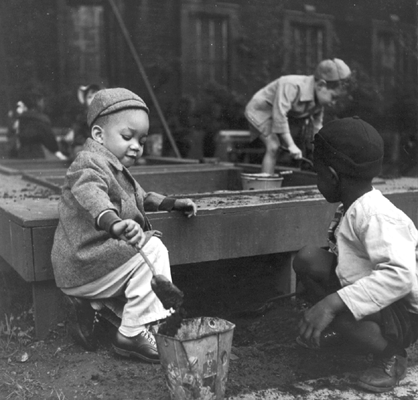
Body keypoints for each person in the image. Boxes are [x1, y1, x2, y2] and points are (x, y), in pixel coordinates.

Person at [51, 88, 197, 363]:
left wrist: (172, 203)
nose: (136, 146)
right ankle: (131, 333)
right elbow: (92, 195)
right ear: (98, 135)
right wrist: (114, 223)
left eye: (141, 140)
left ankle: (91, 307)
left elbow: (141, 197)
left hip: (95, 267)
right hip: (83, 263)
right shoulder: (87, 164)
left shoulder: (114, 167)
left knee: (141, 257)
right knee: (150, 248)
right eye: (127, 137)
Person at [293, 117, 418, 393]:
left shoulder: (377, 215)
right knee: (307, 258)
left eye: (318, 174)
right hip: (375, 295)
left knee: (339, 313)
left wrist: (329, 304)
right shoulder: (353, 205)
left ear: (333, 176)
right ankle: (343, 332)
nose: (317, 181)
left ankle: (392, 355)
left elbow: (401, 276)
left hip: (404, 313)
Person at [244, 58, 351, 174]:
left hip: (279, 115)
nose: (333, 103)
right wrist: (291, 145)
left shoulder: (319, 101)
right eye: (333, 97)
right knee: (273, 147)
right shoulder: (291, 85)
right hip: (260, 111)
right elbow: (280, 115)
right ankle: (265, 189)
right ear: (321, 85)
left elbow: (317, 128)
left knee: (293, 146)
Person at [13, 90, 67, 160]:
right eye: (42, 101)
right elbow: (50, 142)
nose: (43, 104)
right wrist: (58, 152)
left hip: (21, 155)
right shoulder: (41, 120)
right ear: (38, 103)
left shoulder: (21, 119)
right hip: (38, 156)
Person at [63, 84, 102, 159]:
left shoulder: (106, 116)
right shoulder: (81, 118)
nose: (93, 99)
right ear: (85, 100)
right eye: (89, 97)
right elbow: (78, 137)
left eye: (96, 96)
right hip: (87, 147)